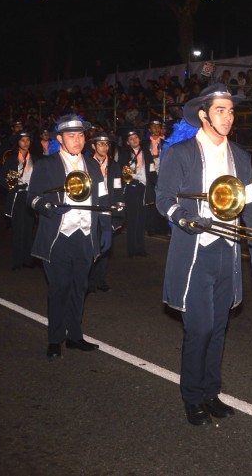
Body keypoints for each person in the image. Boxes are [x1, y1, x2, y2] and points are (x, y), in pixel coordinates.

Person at [156, 83, 252, 426]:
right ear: (203, 115)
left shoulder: (240, 156)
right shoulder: (180, 153)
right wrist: (184, 217)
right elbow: (164, 199)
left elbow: (249, 204)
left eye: (231, 110)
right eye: (221, 110)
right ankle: (192, 396)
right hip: (195, 253)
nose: (228, 117)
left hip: (228, 252)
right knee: (200, 328)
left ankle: (210, 392)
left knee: (219, 327)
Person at [28, 114, 113, 359]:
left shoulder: (93, 165)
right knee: (59, 288)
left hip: (85, 236)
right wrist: (47, 207)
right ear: (59, 138)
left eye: (80, 135)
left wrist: (106, 228)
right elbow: (32, 197)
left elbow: (103, 199)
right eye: (71, 136)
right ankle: (55, 338)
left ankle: (75, 335)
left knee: (79, 287)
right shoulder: (46, 164)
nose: (77, 140)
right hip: (59, 236)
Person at [87, 131, 124, 293]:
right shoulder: (87, 164)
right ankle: (88, 281)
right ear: (94, 146)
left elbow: (117, 189)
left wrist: (119, 212)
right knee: (90, 245)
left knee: (105, 246)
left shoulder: (114, 166)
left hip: (108, 209)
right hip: (92, 209)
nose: (104, 147)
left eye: (107, 144)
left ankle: (100, 280)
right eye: (100, 144)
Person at [0, 129, 37, 269]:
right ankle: (17, 260)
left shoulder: (35, 159)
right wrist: (12, 184)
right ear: (18, 143)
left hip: (30, 196)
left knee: (29, 229)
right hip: (17, 196)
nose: (26, 143)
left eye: (28, 140)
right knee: (18, 229)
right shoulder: (12, 159)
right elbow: (1, 179)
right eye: (22, 140)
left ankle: (28, 259)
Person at [117, 128, 153, 257]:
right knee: (133, 218)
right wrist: (132, 181)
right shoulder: (124, 154)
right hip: (131, 188)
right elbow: (122, 172)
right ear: (127, 142)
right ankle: (132, 249)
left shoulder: (146, 152)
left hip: (144, 188)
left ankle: (140, 248)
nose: (134, 140)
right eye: (131, 139)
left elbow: (152, 169)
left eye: (136, 137)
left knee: (142, 218)